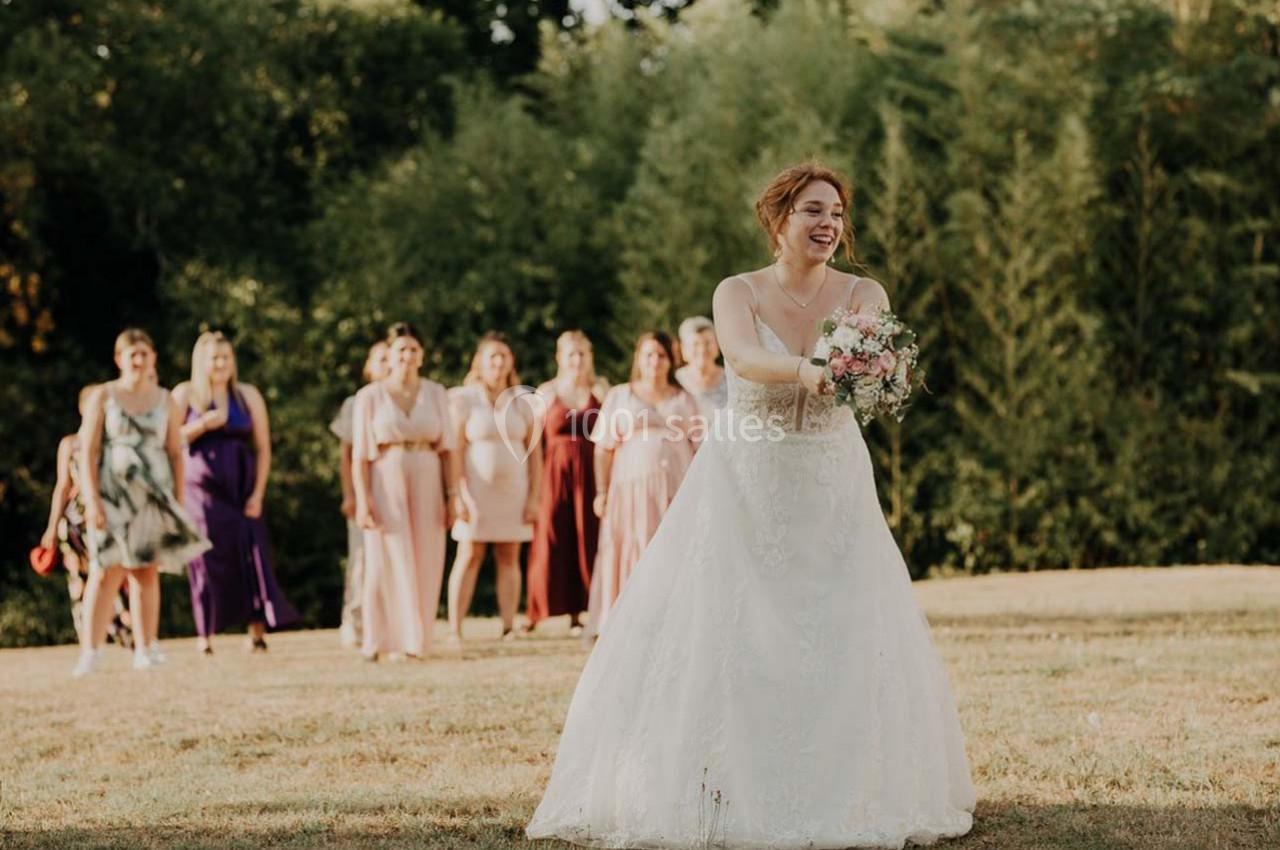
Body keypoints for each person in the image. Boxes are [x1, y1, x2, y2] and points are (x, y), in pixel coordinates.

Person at [527, 163, 975, 847]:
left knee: (843, 622)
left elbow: (880, 372)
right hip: (749, 474)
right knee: (737, 627)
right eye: (813, 211)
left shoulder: (864, 290)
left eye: (837, 213)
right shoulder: (738, 292)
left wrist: (877, 377)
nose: (828, 224)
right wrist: (806, 369)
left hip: (832, 477)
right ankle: (721, 784)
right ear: (779, 220)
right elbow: (738, 357)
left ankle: (849, 788)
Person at [74, 329, 210, 677]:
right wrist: (92, 500)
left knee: (146, 571)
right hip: (111, 492)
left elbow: (175, 453)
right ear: (119, 359)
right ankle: (91, 652)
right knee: (105, 571)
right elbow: (88, 451)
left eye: (144, 354)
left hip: (153, 494)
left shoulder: (166, 400)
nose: (138, 361)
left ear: (153, 358)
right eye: (131, 354)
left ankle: (146, 647)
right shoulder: (103, 396)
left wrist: (177, 501)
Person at [174, 332, 298, 655]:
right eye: (215, 358)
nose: (222, 364)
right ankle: (206, 636)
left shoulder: (247, 395)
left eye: (227, 357)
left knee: (250, 554)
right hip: (201, 494)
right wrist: (202, 426)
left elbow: (263, 448)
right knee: (205, 560)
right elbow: (170, 441)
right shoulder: (186, 394)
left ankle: (256, 631)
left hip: (241, 490)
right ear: (201, 362)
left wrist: (258, 492)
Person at [352, 322, 460, 661]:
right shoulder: (370, 397)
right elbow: (359, 454)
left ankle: (418, 639)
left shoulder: (436, 392)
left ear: (422, 355)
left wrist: (454, 494)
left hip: (427, 468)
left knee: (427, 556)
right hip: (387, 472)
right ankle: (380, 640)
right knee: (388, 557)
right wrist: (363, 497)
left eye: (413, 349)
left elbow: (450, 448)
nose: (407, 356)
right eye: (401, 350)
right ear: (390, 354)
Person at [584, 331, 700, 637]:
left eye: (661, 355)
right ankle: (623, 618)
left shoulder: (684, 398)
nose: (655, 361)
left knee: (670, 548)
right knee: (630, 544)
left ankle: (668, 617)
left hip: (675, 490)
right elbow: (603, 448)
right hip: (629, 490)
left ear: (670, 360)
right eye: (648, 354)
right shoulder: (620, 396)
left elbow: (700, 446)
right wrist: (601, 491)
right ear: (639, 358)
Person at [446, 332, 540, 645]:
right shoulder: (463, 399)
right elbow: (456, 450)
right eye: (492, 357)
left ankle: (508, 625)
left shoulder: (522, 401)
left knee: (509, 555)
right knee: (470, 553)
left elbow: (535, 454)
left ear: (511, 362)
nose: (499, 363)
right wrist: (458, 494)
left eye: (504, 356)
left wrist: (534, 497)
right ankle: (455, 628)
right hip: (475, 491)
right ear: (480, 363)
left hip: (514, 491)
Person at [40, 384, 132, 648]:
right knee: (82, 578)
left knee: (114, 572)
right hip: (76, 523)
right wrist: (51, 527)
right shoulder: (70, 444)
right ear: (83, 408)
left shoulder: (115, 442)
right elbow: (62, 487)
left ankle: (122, 626)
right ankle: (91, 636)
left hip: (110, 516)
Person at [524, 331, 601, 636]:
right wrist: (533, 487)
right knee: (552, 536)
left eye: (582, 353)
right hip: (555, 472)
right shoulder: (545, 392)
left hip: (591, 472)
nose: (577, 360)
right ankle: (536, 610)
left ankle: (582, 610)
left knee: (588, 537)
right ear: (559, 357)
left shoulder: (601, 390)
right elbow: (532, 444)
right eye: (571, 354)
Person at [331, 341, 390, 648]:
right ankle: (353, 620)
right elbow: (347, 454)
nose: (387, 365)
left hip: (394, 490)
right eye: (381, 359)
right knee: (361, 559)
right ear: (369, 366)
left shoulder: (400, 399)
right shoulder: (355, 404)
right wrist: (350, 495)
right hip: (364, 489)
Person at [673, 315, 727, 419]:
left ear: (717, 345)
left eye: (708, 342)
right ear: (684, 349)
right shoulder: (674, 382)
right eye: (696, 344)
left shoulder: (731, 380)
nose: (702, 350)